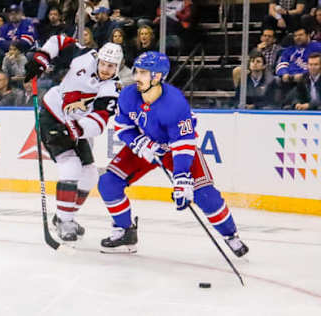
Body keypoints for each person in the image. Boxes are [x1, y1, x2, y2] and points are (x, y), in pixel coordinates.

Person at [96, 51, 249, 256]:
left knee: (204, 195)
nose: (136, 77)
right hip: (148, 144)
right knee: (108, 183)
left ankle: (231, 235)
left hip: (175, 149)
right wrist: (140, 143)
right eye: (136, 72)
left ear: (157, 76)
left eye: (142, 73)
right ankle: (125, 231)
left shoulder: (175, 103)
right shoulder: (127, 95)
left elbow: (184, 143)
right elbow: (123, 127)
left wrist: (182, 177)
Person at [24, 34, 123, 242]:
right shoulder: (83, 56)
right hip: (52, 115)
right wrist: (42, 57)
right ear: (98, 59)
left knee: (89, 176)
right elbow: (60, 40)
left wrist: (77, 129)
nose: (106, 70)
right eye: (104, 64)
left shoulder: (112, 88)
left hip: (77, 128)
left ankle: (63, 216)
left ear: (118, 67)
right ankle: (65, 220)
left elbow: (99, 120)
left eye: (111, 67)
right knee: (70, 166)